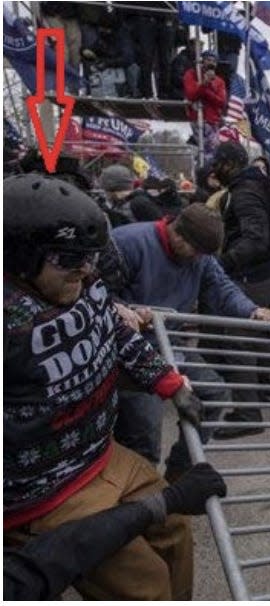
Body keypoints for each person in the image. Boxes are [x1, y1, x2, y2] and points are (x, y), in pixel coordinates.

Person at [3, 174, 203, 600]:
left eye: (90, 258)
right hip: (45, 495)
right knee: (146, 586)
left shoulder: (82, 284)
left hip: (102, 454)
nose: (86, 269)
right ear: (21, 257)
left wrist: (166, 381)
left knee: (177, 533)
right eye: (70, 259)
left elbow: (112, 328)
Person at [99, 204, 270, 480]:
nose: (198, 259)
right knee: (144, 431)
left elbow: (221, 286)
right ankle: (139, 499)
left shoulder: (200, 257)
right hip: (131, 348)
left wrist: (251, 309)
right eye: (196, 251)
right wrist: (125, 309)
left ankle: (180, 472)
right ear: (178, 235)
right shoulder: (127, 243)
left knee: (214, 394)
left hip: (171, 341)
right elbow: (95, 292)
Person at [4, 463, 226, 600]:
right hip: (33, 494)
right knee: (146, 584)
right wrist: (162, 503)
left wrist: (162, 383)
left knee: (175, 528)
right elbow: (41, 567)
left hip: (85, 451)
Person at [206, 142, 270, 438]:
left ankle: (248, 414)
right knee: (260, 336)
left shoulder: (245, 192)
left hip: (256, 274)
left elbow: (255, 239)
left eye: (218, 163)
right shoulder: (260, 184)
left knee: (237, 340)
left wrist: (222, 263)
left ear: (231, 163)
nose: (214, 169)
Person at [183, 49, 226, 165]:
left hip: (213, 121)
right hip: (197, 119)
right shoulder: (191, 74)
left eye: (214, 61)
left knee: (211, 152)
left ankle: (205, 171)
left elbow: (221, 102)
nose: (211, 63)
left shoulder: (219, 81)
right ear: (202, 61)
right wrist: (203, 84)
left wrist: (207, 88)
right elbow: (191, 95)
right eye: (208, 60)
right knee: (205, 151)